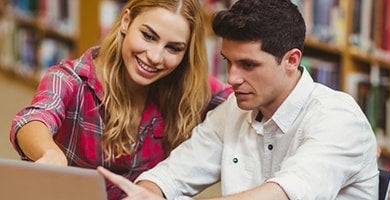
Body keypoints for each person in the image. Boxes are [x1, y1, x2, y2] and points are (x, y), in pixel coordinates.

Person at [97, 0, 379, 199]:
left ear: (291, 60)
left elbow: (282, 193)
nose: (232, 78)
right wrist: (146, 191)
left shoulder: (337, 119)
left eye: (248, 65)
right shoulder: (234, 110)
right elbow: (172, 174)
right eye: (228, 62)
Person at [9, 0, 232, 199]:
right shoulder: (72, 79)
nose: (155, 57)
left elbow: (241, 100)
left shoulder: (188, 86)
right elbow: (33, 119)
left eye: (173, 48)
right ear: (126, 21)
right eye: (148, 36)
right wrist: (50, 153)